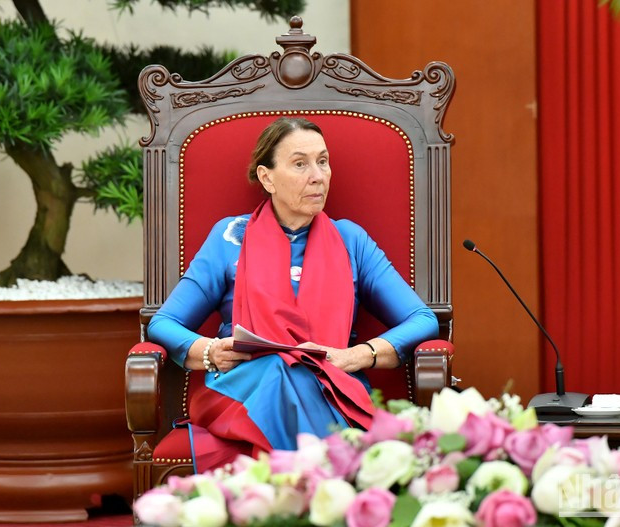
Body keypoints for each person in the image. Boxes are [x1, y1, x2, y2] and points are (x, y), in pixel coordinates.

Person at [148, 117, 439, 471]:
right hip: (243, 389)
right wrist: (209, 351)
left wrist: (358, 356)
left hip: (332, 386)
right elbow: (164, 323)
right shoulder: (228, 238)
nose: (318, 175)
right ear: (267, 177)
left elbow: (422, 319)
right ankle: (330, 489)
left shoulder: (351, 241)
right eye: (300, 164)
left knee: (296, 371)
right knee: (277, 367)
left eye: (323, 161)